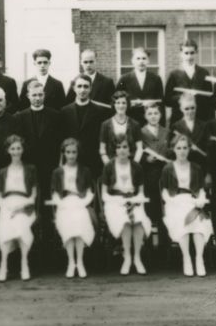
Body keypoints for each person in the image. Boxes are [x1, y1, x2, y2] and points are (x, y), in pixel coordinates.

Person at [160, 134, 213, 277]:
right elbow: (164, 191)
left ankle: (199, 259)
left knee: (199, 222)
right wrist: (171, 201)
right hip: (175, 202)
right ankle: (186, 258)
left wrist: (201, 199)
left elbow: (201, 189)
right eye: (179, 148)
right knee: (181, 217)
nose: (182, 151)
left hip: (192, 200)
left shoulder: (196, 168)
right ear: (174, 149)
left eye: (185, 148)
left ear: (189, 149)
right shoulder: (167, 168)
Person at [100, 137, 151, 276]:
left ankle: (137, 257)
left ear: (130, 150)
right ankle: (127, 257)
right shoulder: (109, 166)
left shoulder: (136, 167)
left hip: (133, 199)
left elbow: (141, 192)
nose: (122, 150)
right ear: (114, 150)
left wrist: (135, 200)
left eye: (125, 147)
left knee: (139, 219)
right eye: (118, 147)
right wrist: (117, 200)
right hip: (114, 202)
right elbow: (104, 194)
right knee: (125, 220)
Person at [50, 138, 97, 279]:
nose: (71, 155)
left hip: (80, 203)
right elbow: (54, 193)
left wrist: (83, 203)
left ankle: (80, 262)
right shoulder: (57, 172)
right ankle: (71, 262)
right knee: (68, 224)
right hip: (64, 204)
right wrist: (61, 204)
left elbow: (89, 192)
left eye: (74, 152)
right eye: (68, 152)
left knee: (80, 220)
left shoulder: (84, 170)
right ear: (63, 153)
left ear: (78, 153)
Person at [0, 136, 36, 281]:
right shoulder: (2, 172)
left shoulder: (30, 169)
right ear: (8, 151)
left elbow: (34, 194)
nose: (16, 152)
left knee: (21, 223)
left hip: (25, 205)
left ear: (23, 150)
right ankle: (3, 265)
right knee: (5, 224)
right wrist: (7, 206)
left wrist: (22, 206)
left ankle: (25, 263)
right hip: (7, 205)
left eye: (18, 148)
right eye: (13, 149)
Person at [59, 75, 106, 179]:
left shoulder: (100, 111)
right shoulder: (64, 111)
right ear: (74, 88)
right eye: (79, 86)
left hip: (93, 160)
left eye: (86, 86)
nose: (82, 90)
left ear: (90, 88)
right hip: (71, 159)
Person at [139, 102, 172, 241]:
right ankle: (151, 242)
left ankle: (165, 239)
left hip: (165, 173)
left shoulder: (166, 132)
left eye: (156, 113)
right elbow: (138, 153)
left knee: (166, 205)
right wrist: (146, 159)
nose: (153, 116)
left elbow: (171, 152)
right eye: (150, 114)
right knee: (152, 206)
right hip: (149, 174)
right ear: (145, 116)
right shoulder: (141, 132)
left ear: (161, 115)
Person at [164, 39, 214, 125]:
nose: (189, 57)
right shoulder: (174, 74)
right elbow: (167, 100)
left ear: (196, 53)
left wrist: (198, 95)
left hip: (200, 119)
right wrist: (183, 96)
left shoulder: (204, 73)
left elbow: (210, 100)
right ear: (180, 54)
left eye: (192, 53)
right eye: (186, 53)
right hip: (179, 119)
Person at [115, 47, 164, 127]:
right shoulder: (124, 79)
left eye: (144, 58)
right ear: (132, 61)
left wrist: (161, 126)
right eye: (138, 58)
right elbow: (116, 101)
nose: (141, 61)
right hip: (130, 121)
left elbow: (161, 103)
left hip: (150, 122)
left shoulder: (156, 79)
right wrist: (131, 103)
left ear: (148, 61)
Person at [99, 90, 144, 169]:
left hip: (131, 165)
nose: (121, 106)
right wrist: (110, 167)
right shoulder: (105, 125)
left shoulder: (135, 124)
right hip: (112, 166)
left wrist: (134, 166)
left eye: (124, 103)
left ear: (128, 105)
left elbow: (139, 148)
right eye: (118, 103)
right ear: (114, 104)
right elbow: (102, 150)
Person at [170, 94, 208, 167]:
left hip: (201, 166)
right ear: (181, 109)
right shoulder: (175, 127)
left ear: (196, 107)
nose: (190, 111)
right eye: (186, 109)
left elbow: (209, 150)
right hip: (183, 166)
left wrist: (208, 173)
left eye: (192, 108)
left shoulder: (205, 125)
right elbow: (172, 151)